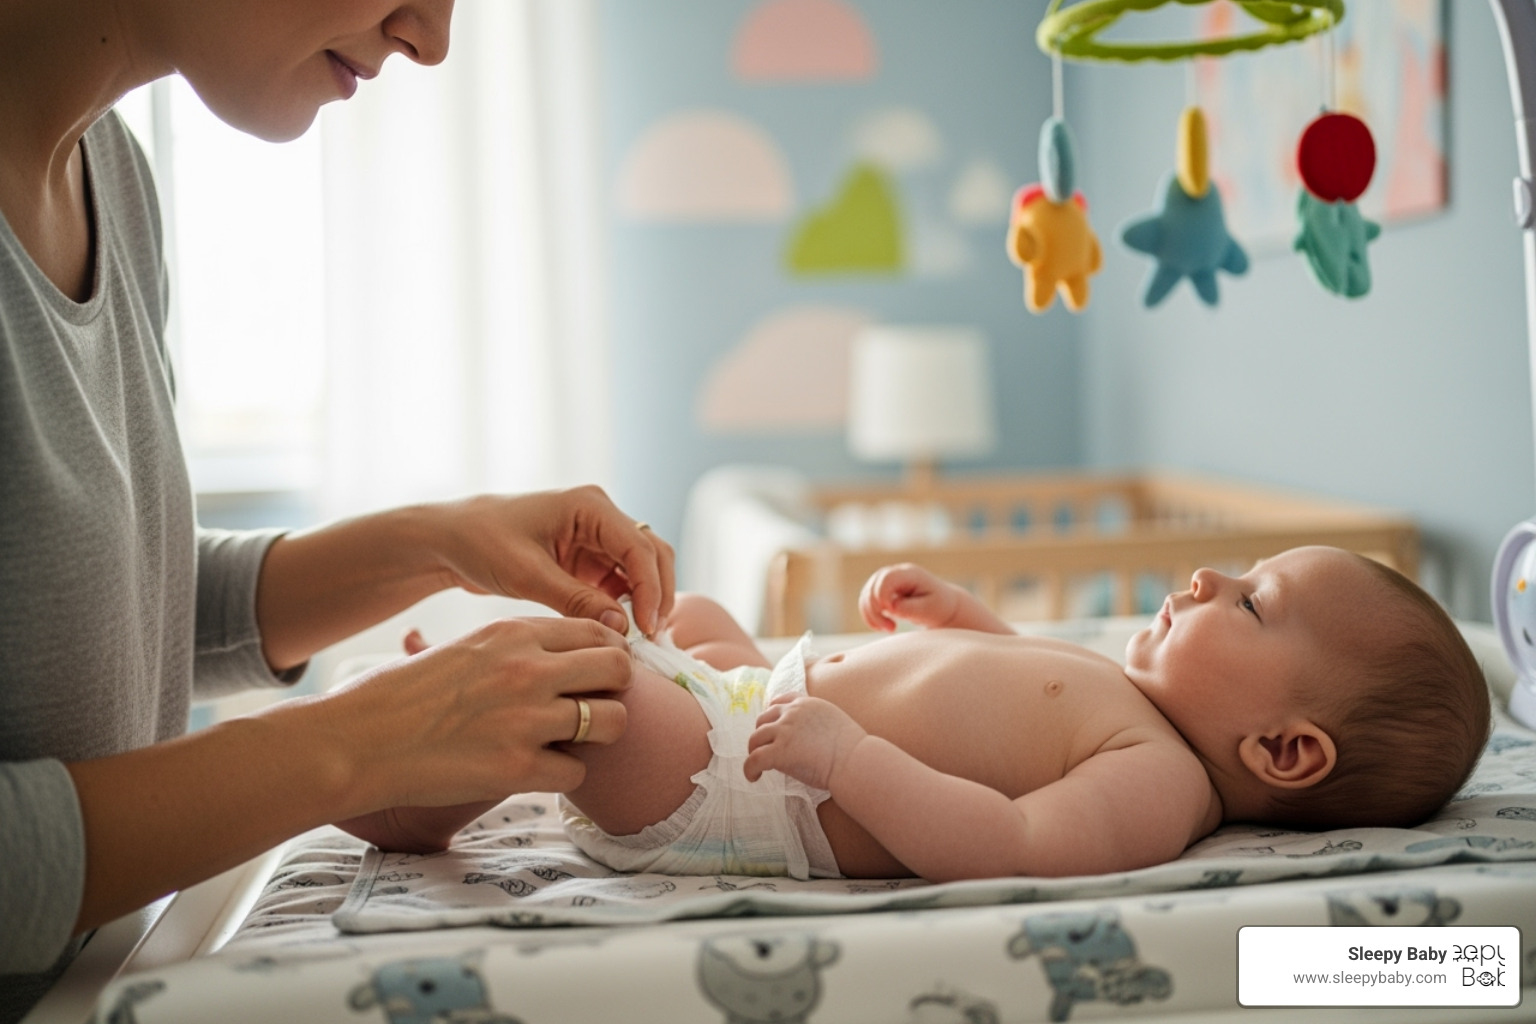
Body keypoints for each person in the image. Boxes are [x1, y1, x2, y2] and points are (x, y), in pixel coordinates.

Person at [0, 2, 672, 1020]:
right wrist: (353, 743)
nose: (431, 37)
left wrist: (442, 542)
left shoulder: (110, 178)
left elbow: (99, 606)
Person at [554, 546, 1490, 882]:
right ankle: (480, 711)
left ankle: (441, 768)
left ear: (1285, 750)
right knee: (703, 618)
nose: (1210, 576)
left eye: (1249, 604)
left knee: (591, 703)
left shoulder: (1159, 784)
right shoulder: (1140, 702)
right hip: (759, 702)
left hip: (742, 784)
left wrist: (850, 760)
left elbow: (1006, 839)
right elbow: (1020, 689)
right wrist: (960, 617)